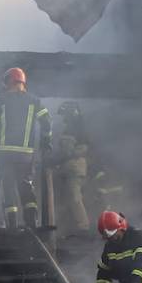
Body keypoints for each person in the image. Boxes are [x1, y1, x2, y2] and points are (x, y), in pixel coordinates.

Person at [0, 67, 52, 230]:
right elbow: (47, 121)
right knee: (26, 186)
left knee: (7, 187)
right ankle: (31, 224)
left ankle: (12, 224)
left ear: (9, 82)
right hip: (25, 154)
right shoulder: (35, 101)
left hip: (4, 153)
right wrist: (46, 141)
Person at [53, 101, 90, 236]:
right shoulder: (75, 129)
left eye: (65, 115)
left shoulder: (75, 130)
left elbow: (67, 152)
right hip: (69, 169)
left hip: (73, 168)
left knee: (75, 198)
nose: (63, 118)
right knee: (69, 199)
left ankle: (83, 228)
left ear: (71, 114)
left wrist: (54, 159)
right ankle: (72, 227)